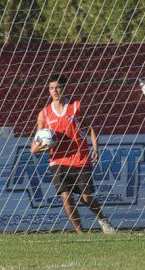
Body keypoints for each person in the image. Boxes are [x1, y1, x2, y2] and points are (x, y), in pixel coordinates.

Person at [30, 74, 116, 234]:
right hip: (58, 160)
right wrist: (41, 146)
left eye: (58, 87)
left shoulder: (76, 106)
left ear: (65, 88)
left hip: (80, 157)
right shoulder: (44, 114)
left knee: (86, 197)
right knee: (66, 196)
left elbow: (90, 127)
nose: (54, 91)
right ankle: (81, 233)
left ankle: (103, 221)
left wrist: (95, 148)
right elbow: (34, 146)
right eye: (51, 88)